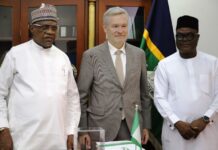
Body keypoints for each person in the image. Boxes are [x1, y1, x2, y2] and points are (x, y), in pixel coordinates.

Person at [0, 3, 81, 150]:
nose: (50, 32)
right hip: (23, 139)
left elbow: (72, 99)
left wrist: (71, 132)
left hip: (58, 139)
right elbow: (0, 93)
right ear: (32, 29)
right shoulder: (15, 55)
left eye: (53, 28)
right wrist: (2, 128)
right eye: (44, 27)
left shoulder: (62, 58)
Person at [77, 7, 151, 149]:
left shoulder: (139, 54)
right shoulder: (91, 56)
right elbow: (82, 96)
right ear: (105, 28)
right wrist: (83, 130)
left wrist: (146, 126)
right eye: (115, 26)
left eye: (124, 26)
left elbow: (144, 94)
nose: (120, 30)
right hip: (100, 126)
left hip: (132, 126)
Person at [154, 15, 218, 150]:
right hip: (175, 134)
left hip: (207, 134)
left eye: (189, 35)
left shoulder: (213, 63)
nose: (184, 40)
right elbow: (159, 98)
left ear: (197, 37)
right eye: (180, 36)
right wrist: (177, 122)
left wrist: (206, 118)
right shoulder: (165, 65)